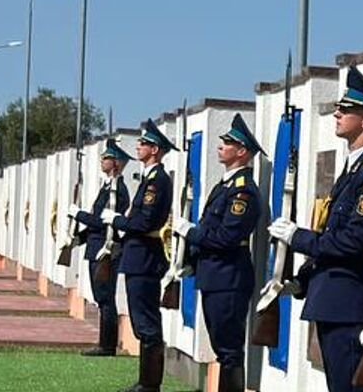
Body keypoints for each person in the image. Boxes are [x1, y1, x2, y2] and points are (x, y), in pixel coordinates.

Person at [267, 67, 363, 392]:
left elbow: (352, 241)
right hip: (332, 296)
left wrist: (297, 237)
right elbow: (333, 239)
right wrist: (301, 282)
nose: (338, 114)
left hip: (349, 298)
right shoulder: (353, 171)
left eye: (348, 109)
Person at [177, 114, 263, 392]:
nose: (221, 146)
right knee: (220, 344)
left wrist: (190, 232)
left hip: (229, 276)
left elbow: (226, 237)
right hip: (214, 274)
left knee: (229, 349)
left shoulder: (243, 192)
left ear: (242, 152)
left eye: (228, 143)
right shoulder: (224, 186)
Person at [106, 119, 175, 392]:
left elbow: (145, 222)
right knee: (141, 322)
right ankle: (145, 382)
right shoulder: (149, 178)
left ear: (155, 149)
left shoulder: (158, 180)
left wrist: (118, 221)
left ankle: (150, 384)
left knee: (146, 324)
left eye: (144, 143)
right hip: (138, 256)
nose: (139, 146)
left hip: (145, 258)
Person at [69, 138, 132, 357]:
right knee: (101, 297)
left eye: (106, 158)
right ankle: (104, 343)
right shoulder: (107, 188)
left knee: (106, 298)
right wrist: (78, 238)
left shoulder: (118, 191)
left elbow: (101, 221)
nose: (102, 160)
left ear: (116, 163)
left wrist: (78, 214)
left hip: (106, 250)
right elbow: (97, 224)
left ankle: (107, 345)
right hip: (95, 247)